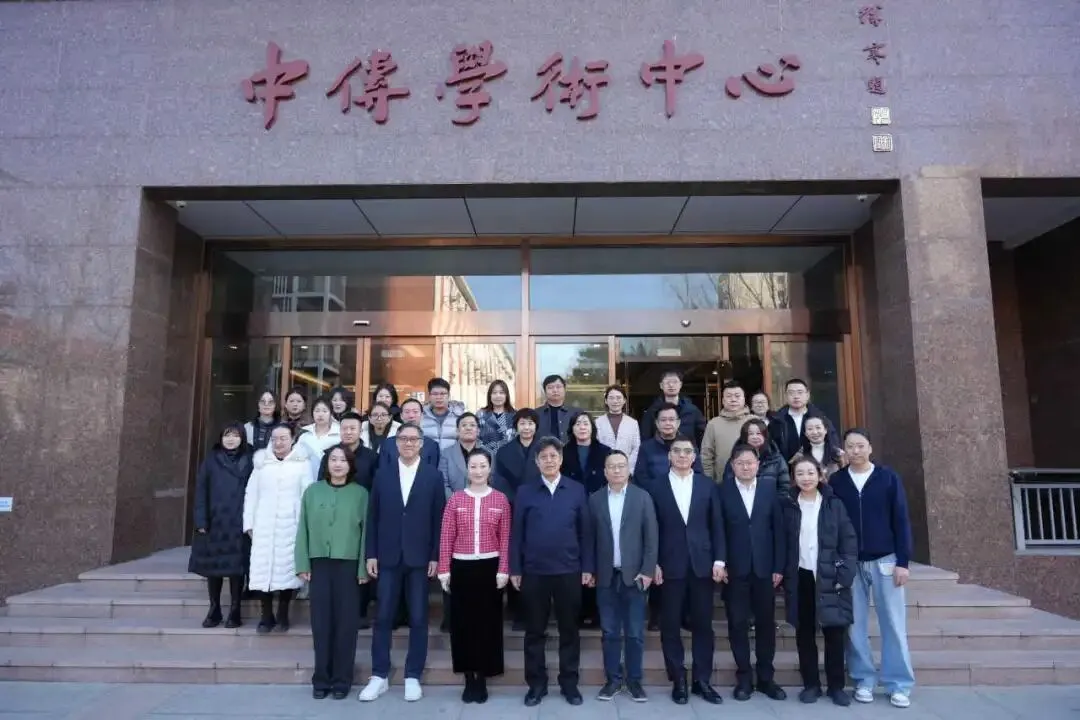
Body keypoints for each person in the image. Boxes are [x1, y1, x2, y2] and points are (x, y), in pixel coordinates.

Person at [358, 422, 447, 704]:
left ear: (421, 444)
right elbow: (373, 516)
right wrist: (371, 553)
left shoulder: (433, 476)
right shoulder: (382, 474)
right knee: (383, 616)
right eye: (403, 439)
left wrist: (435, 555)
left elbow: (439, 519)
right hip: (388, 556)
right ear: (395, 443)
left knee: (419, 618)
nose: (408, 443)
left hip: (420, 558)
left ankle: (412, 675)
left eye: (413, 439)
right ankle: (379, 675)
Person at [829, 429, 915, 709]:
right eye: (850, 446)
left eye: (860, 446)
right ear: (844, 450)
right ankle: (863, 680)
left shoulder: (887, 478)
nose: (855, 451)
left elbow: (901, 519)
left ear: (870, 448)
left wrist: (903, 562)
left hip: (886, 559)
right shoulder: (837, 481)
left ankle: (898, 684)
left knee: (893, 623)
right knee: (854, 625)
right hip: (851, 561)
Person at [510, 437, 594, 707]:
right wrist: (515, 568)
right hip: (534, 572)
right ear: (537, 462)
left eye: (553, 456)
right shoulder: (525, 492)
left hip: (569, 570)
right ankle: (536, 685)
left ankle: (569, 684)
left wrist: (588, 567)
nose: (549, 460)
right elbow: (516, 534)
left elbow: (585, 532)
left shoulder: (576, 490)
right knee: (534, 632)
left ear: (561, 459)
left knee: (569, 631)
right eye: (543, 457)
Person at [649, 435, 725, 705]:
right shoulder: (655, 486)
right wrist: (653, 562)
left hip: (702, 564)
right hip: (669, 565)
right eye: (677, 451)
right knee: (670, 625)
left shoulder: (707, 485)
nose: (682, 455)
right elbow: (651, 529)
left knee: (703, 625)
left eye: (687, 451)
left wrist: (720, 560)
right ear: (669, 456)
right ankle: (678, 679)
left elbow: (717, 525)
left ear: (694, 457)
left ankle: (702, 681)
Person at [437, 448, 512, 704]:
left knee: (488, 624)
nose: (478, 471)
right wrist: (444, 569)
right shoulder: (456, 500)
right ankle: (469, 677)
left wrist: (504, 569)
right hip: (462, 566)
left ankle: (483, 676)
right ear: (467, 470)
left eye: (483, 466)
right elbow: (447, 536)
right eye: (473, 466)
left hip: (490, 568)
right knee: (463, 625)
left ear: (490, 469)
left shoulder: (500, 500)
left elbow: (506, 538)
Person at [295, 445, 370, 700]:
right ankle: (321, 679)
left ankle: (342, 680)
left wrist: (362, 568)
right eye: (333, 459)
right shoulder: (312, 492)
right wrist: (302, 563)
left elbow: (365, 533)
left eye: (343, 460)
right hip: (319, 564)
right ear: (326, 464)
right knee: (321, 623)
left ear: (350, 465)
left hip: (349, 565)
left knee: (346, 625)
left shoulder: (361, 494)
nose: (338, 464)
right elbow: (303, 529)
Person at [782, 457, 857, 706]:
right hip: (801, 575)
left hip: (830, 575)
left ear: (820, 474)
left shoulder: (833, 503)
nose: (806, 478)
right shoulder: (788, 504)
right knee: (804, 634)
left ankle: (836, 687)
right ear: (794, 478)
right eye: (800, 473)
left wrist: (845, 573)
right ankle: (811, 685)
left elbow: (848, 540)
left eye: (810, 473)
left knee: (834, 632)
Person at [717, 444, 787, 702]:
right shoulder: (722, 491)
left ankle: (766, 678)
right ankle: (744, 678)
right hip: (735, 569)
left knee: (766, 624)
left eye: (750, 462)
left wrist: (778, 566)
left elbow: (778, 531)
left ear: (758, 464)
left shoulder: (769, 489)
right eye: (740, 463)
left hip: (765, 569)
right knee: (737, 623)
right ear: (732, 466)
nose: (745, 467)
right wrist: (721, 562)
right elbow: (718, 530)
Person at [588, 450, 657, 703]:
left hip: (635, 576)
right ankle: (613, 680)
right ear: (605, 471)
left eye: (621, 466)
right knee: (609, 632)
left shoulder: (642, 497)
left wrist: (648, 570)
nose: (617, 470)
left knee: (635, 632)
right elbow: (589, 539)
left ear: (629, 470)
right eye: (612, 466)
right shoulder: (595, 499)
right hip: (606, 576)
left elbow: (651, 538)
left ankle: (634, 681)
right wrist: (590, 569)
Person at [243, 423, 313, 634]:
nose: (279, 443)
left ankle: (283, 614)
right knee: (262, 570)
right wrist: (249, 524)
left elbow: (307, 495)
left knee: (288, 571)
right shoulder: (261, 463)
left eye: (283, 438)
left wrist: (305, 526)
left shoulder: (302, 463)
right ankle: (266, 615)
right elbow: (251, 494)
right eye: (275, 439)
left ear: (292, 439)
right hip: (263, 524)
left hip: (291, 524)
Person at [188, 423, 253, 629]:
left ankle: (235, 610)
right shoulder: (211, 460)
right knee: (213, 568)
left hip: (239, 522)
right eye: (227, 435)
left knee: (237, 568)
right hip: (215, 522)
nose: (231, 439)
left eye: (235, 435)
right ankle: (214, 609)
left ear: (242, 438)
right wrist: (201, 520)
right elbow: (201, 491)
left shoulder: (251, 460)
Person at [562, 411, 611, 628]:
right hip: (571, 511)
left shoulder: (605, 452)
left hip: (599, 509)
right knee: (577, 558)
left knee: (598, 557)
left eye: (586, 423)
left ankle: (597, 610)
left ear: (592, 428)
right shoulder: (563, 452)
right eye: (578, 424)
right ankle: (579, 610)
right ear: (571, 429)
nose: (582, 427)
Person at [492, 408, 541, 630]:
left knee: (534, 560)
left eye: (530, 423)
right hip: (512, 510)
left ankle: (535, 612)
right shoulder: (504, 452)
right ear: (516, 426)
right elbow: (500, 482)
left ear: (536, 426)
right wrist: (517, 502)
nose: (526, 427)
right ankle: (516, 611)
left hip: (540, 511)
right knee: (515, 558)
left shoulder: (544, 449)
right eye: (522, 423)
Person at [332, 411, 379, 629]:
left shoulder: (371, 457)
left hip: (362, 517)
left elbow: (376, 488)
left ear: (361, 431)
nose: (348, 432)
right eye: (345, 428)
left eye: (353, 428)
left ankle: (360, 611)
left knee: (361, 564)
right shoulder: (330, 455)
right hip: (336, 519)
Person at [634, 402, 703, 489]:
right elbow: (641, 477)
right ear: (657, 423)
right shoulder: (646, 448)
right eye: (663, 420)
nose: (667, 423)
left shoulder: (689, 446)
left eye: (671, 419)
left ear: (678, 423)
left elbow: (698, 474)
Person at [768, 378, 839, 462]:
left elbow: (832, 442)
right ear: (786, 396)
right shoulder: (777, 421)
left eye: (800, 392)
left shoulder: (820, 418)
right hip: (785, 468)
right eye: (791, 393)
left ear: (807, 395)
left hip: (816, 467)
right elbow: (771, 449)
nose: (796, 396)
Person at [701, 381, 756, 483]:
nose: (733, 399)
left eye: (737, 396)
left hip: (754, 483)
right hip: (722, 483)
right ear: (723, 400)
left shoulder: (754, 421)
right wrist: (709, 482)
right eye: (729, 396)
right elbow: (706, 456)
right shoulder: (713, 424)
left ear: (744, 399)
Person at [721, 418, 790, 496]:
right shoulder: (736, 458)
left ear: (765, 435)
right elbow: (728, 483)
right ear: (744, 436)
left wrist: (774, 501)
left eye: (758, 433)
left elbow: (784, 486)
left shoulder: (776, 458)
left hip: (770, 501)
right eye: (751, 434)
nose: (755, 437)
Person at [639, 370, 707, 446]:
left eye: (675, 382)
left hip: (686, 452)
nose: (671, 385)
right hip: (660, 451)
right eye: (667, 382)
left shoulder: (693, 410)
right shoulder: (652, 411)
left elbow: (702, 437)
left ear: (680, 385)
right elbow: (645, 438)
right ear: (661, 385)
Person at [379, 398, 441, 470]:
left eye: (415, 412)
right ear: (401, 415)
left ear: (422, 415)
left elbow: (432, 473)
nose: (411, 415)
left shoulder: (432, 445)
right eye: (407, 412)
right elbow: (382, 471)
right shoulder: (387, 444)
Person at [595, 384, 641, 468]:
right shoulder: (598, 422)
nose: (615, 401)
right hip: (603, 468)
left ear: (624, 400)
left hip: (626, 468)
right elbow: (595, 447)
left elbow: (636, 448)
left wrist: (628, 468)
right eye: (611, 398)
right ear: (606, 401)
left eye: (618, 398)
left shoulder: (633, 423)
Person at [422, 377, 464, 467]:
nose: (439, 397)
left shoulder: (459, 417)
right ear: (429, 395)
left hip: (453, 465)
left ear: (448, 395)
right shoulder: (421, 417)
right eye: (435, 394)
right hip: (427, 465)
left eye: (443, 394)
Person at [298, 396, 341, 481]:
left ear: (331, 413)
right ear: (312, 413)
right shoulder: (304, 434)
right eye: (317, 411)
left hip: (331, 480)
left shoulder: (339, 435)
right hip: (307, 480)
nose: (320, 414)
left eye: (325, 411)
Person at [790, 415, 846, 480]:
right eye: (810, 429)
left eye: (818, 427)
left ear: (825, 430)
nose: (815, 432)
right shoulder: (799, 456)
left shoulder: (838, 453)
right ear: (805, 433)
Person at [536, 374, 582, 442]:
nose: (555, 390)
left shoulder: (577, 413)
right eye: (550, 387)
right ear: (544, 391)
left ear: (564, 389)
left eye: (558, 387)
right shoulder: (536, 414)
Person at [477, 379, 516, 457]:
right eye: (494, 393)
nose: (498, 396)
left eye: (501, 393)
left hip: (509, 457)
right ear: (490, 395)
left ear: (506, 395)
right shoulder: (481, 414)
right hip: (485, 458)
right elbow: (476, 437)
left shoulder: (514, 415)